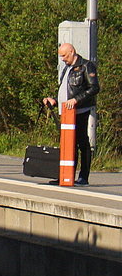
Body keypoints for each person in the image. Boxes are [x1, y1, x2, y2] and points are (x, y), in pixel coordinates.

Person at [43, 42, 99, 185]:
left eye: (64, 55)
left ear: (72, 52)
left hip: (80, 110)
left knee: (82, 142)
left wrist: (76, 100)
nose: (62, 59)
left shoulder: (86, 66)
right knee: (68, 144)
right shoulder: (67, 68)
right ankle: (66, 175)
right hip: (66, 112)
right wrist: (54, 100)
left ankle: (83, 177)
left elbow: (94, 88)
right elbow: (66, 90)